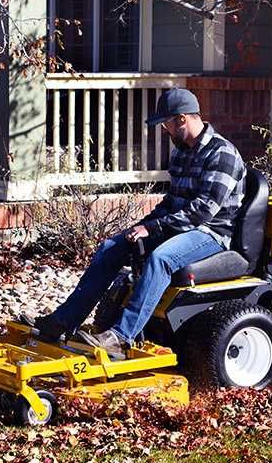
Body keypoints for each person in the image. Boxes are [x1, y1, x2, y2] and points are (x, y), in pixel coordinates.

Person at [31, 88, 247, 360]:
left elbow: (203, 211)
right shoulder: (183, 153)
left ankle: (120, 337)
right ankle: (62, 322)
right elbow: (171, 203)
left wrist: (154, 229)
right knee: (113, 246)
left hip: (210, 233)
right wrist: (141, 227)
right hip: (180, 226)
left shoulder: (222, 153)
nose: (165, 131)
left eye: (166, 124)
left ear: (181, 119)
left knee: (161, 258)